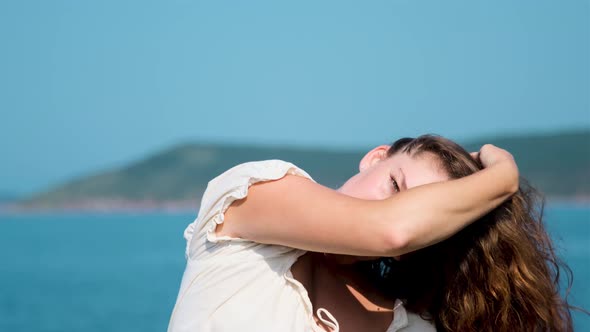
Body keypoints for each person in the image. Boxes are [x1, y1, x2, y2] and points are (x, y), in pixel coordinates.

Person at [167, 134, 531, 332]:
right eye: (394, 185)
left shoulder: (410, 325)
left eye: (424, 214)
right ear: (376, 157)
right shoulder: (255, 194)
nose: (394, 206)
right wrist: (503, 178)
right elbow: (390, 229)